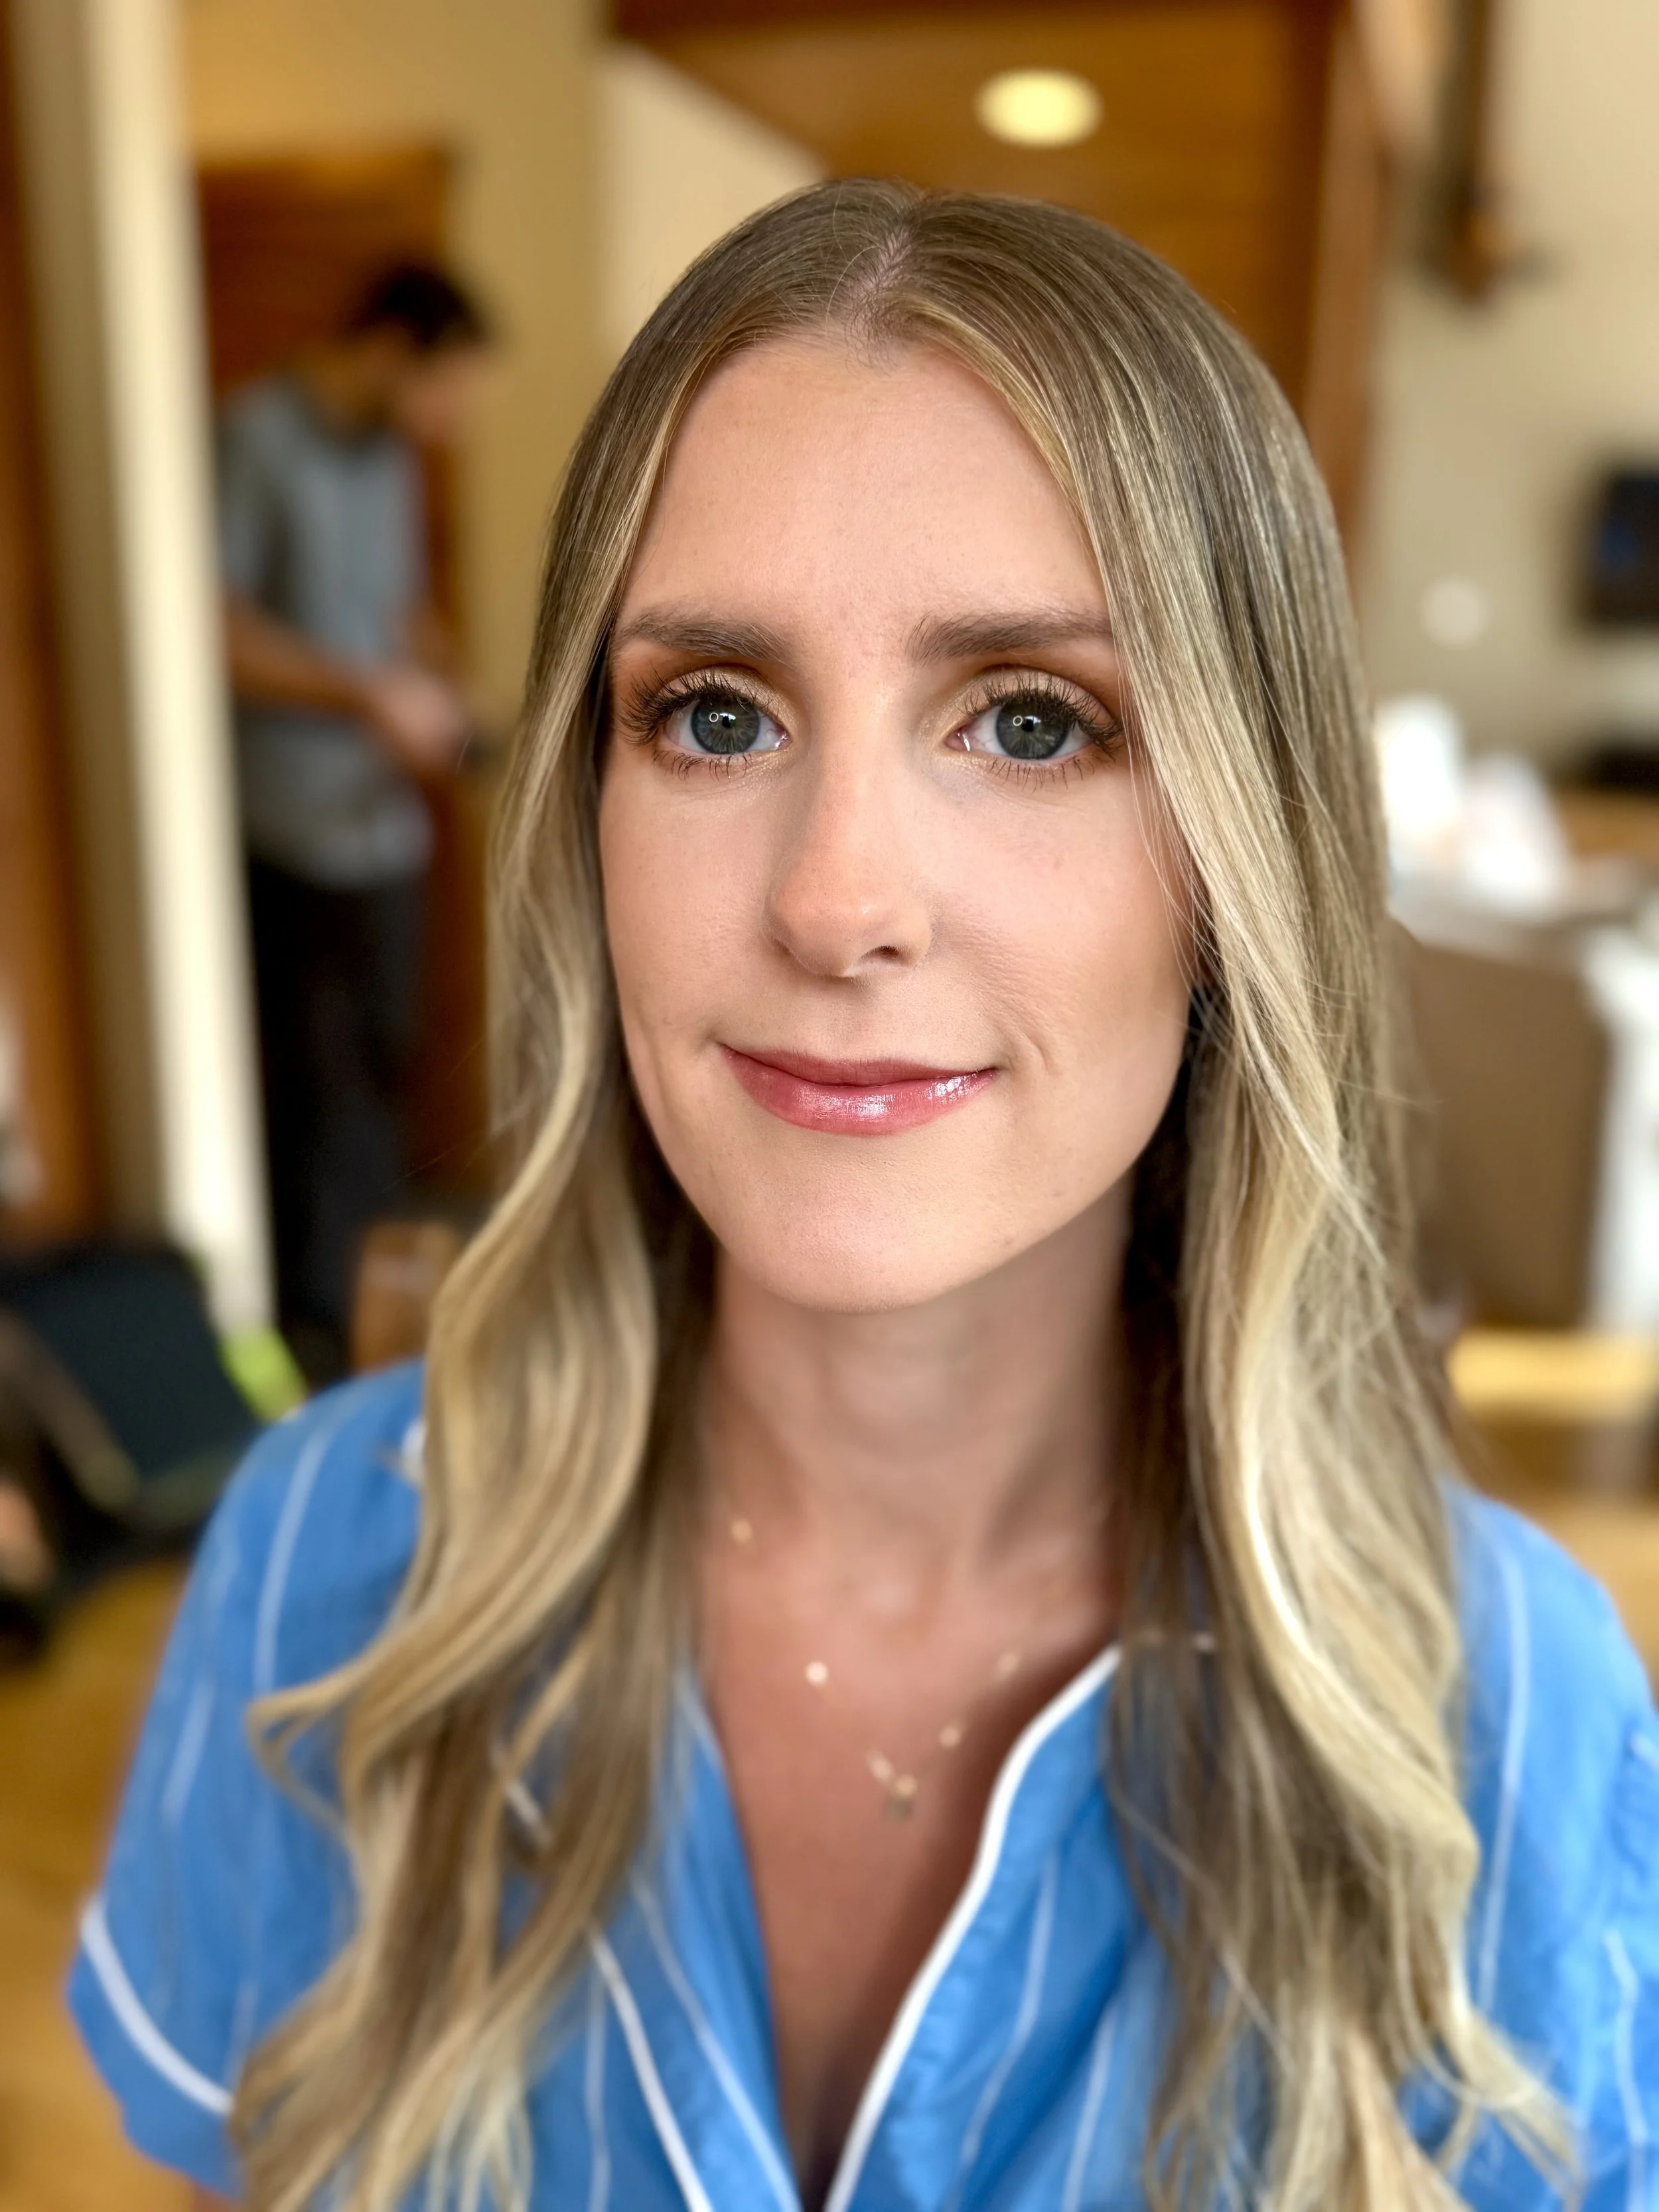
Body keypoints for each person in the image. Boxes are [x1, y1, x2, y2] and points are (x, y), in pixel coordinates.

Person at [70, 183, 1656, 2212]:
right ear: (591, 818)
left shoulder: (1506, 1714)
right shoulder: (328, 1577)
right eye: (714, 715)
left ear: (1236, 864)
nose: (833, 900)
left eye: (1028, 719)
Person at [218, 262, 493, 1380]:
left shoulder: (386, 455)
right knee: (317, 1090)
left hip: (385, 825)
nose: (452, 418)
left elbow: (394, 607)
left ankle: (396, 1322)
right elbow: (217, 627)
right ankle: (326, 1344)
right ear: (390, 351)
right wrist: (366, 695)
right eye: (448, 388)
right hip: (288, 828)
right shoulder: (253, 439)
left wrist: (439, 674)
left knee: (384, 1070)